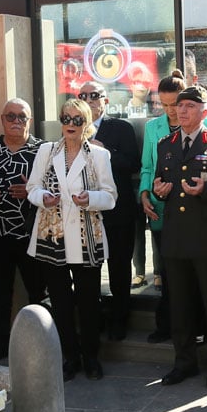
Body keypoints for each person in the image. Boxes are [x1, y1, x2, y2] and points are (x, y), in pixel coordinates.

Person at [153, 85, 207, 389]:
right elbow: (162, 183)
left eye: (190, 106)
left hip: (206, 236)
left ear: (204, 112)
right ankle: (184, 361)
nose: (182, 110)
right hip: (176, 236)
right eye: (180, 106)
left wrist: (206, 190)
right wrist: (158, 191)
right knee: (179, 305)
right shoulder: (166, 144)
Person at [26, 98, 116, 382]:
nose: (70, 124)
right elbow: (32, 187)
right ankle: (70, 357)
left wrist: (90, 199)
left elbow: (111, 196)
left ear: (87, 123)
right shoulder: (46, 150)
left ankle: (91, 357)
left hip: (87, 236)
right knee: (61, 302)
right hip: (52, 237)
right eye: (66, 118)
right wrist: (44, 198)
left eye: (77, 119)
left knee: (89, 301)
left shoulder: (99, 156)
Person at [0, 98, 46, 363]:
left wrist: (32, 194)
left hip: (34, 235)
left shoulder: (43, 151)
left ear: (29, 120)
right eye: (11, 116)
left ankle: (43, 343)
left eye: (22, 117)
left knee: (39, 292)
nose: (16, 122)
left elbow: (55, 191)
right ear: (2, 119)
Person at [79, 83, 140, 341]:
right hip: (85, 212)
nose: (89, 100)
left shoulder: (120, 128)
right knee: (88, 270)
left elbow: (132, 165)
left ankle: (120, 319)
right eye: (83, 96)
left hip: (118, 210)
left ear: (105, 101)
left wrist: (106, 151)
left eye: (94, 96)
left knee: (118, 267)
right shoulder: (73, 129)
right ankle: (94, 319)